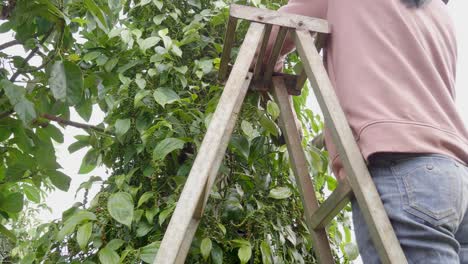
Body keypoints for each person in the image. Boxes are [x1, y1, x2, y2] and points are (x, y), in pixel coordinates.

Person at [266, 0, 468, 263]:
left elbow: (269, 38)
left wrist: (279, 95)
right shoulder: (438, 10)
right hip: (457, 175)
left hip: (401, 170)